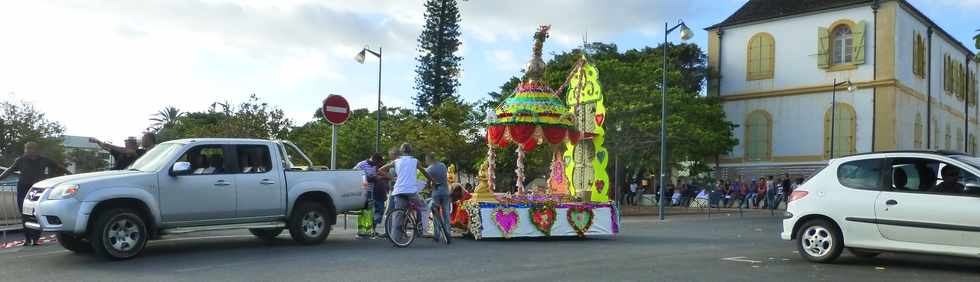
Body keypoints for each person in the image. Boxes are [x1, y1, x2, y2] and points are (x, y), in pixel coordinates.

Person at [0, 141, 69, 246]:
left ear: (36, 150)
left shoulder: (44, 160)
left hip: (37, 189)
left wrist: (70, 175)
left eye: (31, 149)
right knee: (24, 214)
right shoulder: (21, 160)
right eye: (27, 149)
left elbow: (59, 167)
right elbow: (9, 170)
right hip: (23, 188)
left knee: (36, 213)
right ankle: (27, 239)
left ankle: (35, 239)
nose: (29, 151)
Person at [378, 143, 432, 243]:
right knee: (425, 208)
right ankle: (424, 231)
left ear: (401, 151)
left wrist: (392, 178)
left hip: (398, 191)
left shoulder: (396, 161)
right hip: (411, 191)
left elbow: (380, 170)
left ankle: (395, 239)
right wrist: (431, 180)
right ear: (411, 151)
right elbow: (424, 172)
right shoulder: (415, 161)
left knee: (398, 214)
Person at [353, 154, 383, 239]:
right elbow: (354, 175)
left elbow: (374, 177)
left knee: (369, 212)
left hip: (370, 191)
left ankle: (368, 232)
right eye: (376, 163)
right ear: (373, 159)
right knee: (363, 212)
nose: (376, 166)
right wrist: (369, 179)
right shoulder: (361, 164)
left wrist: (376, 178)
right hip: (362, 191)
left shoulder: (373, 167)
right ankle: (361, 232)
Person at [425, 153, 451, 243]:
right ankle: (448, 233)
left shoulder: (429, 169)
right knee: (446, 213)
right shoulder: (443, 165)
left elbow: (428, 182)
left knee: (436, 213)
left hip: (436, 192)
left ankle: (437, 234)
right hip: (446, 191)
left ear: (429, 159)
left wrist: (428, 188)